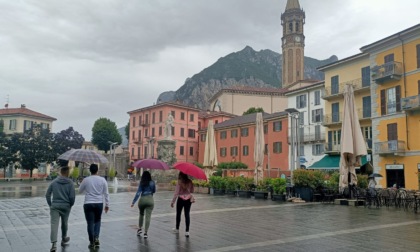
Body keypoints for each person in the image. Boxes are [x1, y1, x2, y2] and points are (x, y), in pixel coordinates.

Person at [79, 164, 110, 249]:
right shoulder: (102, 180)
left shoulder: (86, 180)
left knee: (90, 223)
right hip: (99, 203)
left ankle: (91, 241)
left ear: (90, 170)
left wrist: (83, 185)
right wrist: (107, 205)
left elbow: (80, 191)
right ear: (97, 170)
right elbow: (106, 193)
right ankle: (96, 237)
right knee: (97, 220)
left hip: (88, 203)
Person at [45, 166, 75, 252]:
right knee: (64, 223)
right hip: (66, 206)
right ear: (67, 173)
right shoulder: (70, 183)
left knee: (54, 224)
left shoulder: (54, 182)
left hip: (55, 206)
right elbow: (72, 197)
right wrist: (70, 204)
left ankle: (54, 244)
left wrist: (50, 204)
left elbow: (47, 194)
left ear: (61, 172)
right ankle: (64, 238)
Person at [130, 171, 156, 238]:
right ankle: (146, 233)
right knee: (148, 216)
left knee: (141, 214)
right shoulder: (152, 182)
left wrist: (133, 202)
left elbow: (138, 193)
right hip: (150, 200)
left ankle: (139, 229)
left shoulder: (142, 182)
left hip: (142, 200)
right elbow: (154, 191)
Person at [171, 172, 194, 237]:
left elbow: (176, 193)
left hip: (180, 199)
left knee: (178, 214)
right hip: (188, 199)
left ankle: (177, 229)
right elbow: (192, 191)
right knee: (187, 214)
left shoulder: (179, 182)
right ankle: (187, 231)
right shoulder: (190, 181)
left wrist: (173, 202)